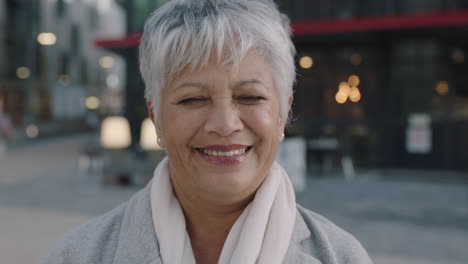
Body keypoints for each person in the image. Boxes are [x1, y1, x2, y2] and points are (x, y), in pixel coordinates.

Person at [42, 0, 373, 263]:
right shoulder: (76, 256)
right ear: (156, 118)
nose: (225, 124)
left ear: (283, 111)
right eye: (193, 99)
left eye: (250, 97)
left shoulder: (342, 256)